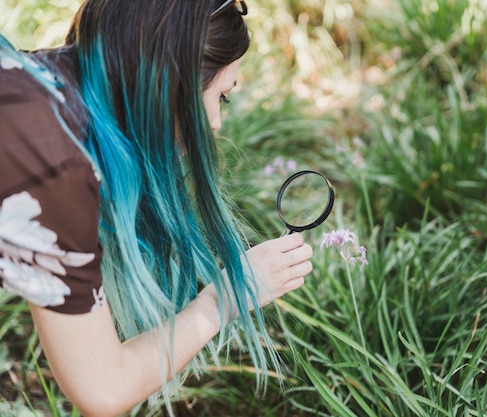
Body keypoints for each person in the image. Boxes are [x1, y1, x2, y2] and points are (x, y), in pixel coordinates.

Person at [0, 0, 314, 415]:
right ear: (174, 85)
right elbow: (104, 388)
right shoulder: (56, 167)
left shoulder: (28, 81)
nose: (217, 122)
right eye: (222, 95)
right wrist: (220, 304)